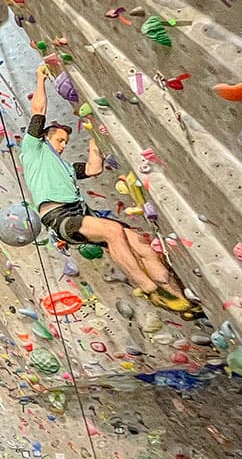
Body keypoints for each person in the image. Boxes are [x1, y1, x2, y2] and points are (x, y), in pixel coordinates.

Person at [22, 64, 201, 318]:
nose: (62, 146)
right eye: (59, 140)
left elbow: (94, 168)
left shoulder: (66, 168)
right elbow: (38, 110)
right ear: (45, 138)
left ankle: (182, 301)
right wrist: (40, 78)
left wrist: (92, 130)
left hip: (80, 212)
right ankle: (150, 289)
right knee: (113, 231)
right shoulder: (33, 151)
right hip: (59, 217)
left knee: (139, 243)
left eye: (65, 142)